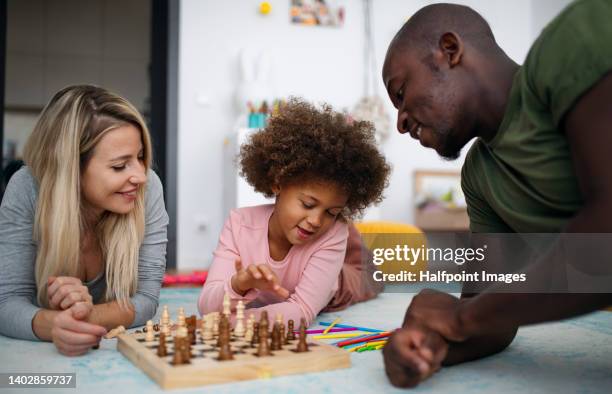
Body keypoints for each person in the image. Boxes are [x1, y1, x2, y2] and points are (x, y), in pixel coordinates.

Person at [380, 1, 612, 387]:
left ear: (450, 50)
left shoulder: (573, 41)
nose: (401, 123)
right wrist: (430, 345)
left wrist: (458, 318)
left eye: (401, 93)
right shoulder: (480, 176)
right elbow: (487, 313)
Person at [0, 85, 169, 356]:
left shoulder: (148, 190)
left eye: (140, 158)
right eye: (119, 165)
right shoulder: (26, 189)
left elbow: (146, 301)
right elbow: (6, 303)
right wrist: (54, 325)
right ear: (70, 168)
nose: (140, 176)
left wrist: (80, 319)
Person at [198, 98, 390, 325]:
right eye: (308, 204)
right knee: (335, 229)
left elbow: (302, 310)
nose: (316, 220)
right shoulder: (239, 224)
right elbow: (206, 305)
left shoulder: (332, 231)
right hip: (326, 244)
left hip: (340, 282)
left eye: (331, 211)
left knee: (370, 275)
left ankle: (350, 235)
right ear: (277, 183)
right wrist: (238, 284)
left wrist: (231, 323)